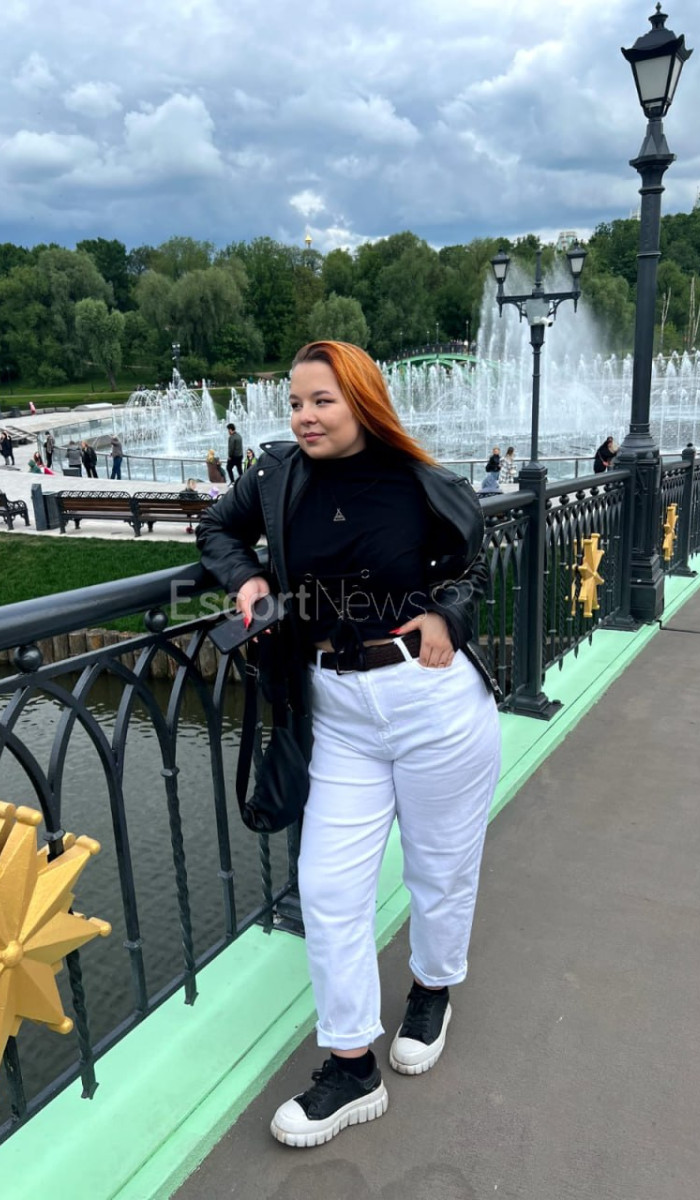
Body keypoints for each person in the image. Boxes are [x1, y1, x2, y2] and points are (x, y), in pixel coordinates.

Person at [198, 341, 501, 1148]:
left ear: (362, 402)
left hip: (430, 700)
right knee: (328, 887)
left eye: (322, 401)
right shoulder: (275, 475)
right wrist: (247, 577)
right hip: (335, 709)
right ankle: (350, 1065)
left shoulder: (417, 480)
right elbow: (215, 528)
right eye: (296, 403)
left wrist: (448, 613)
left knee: (439, 868)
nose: (304, 416)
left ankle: (432, 989)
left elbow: (474, 562)